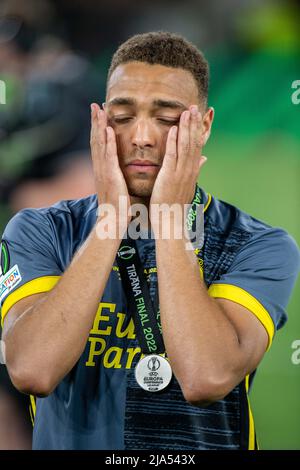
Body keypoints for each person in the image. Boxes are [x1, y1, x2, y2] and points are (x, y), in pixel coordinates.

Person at [0, 31, 299, 451]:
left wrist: (170, 221)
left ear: (205, 126)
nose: (141, 136)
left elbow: (206, 376)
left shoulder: (257, 244)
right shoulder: (40, 231)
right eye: (123, 116)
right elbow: (32, 369)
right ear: (101, 122)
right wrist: (109, 223)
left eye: (166, 118)